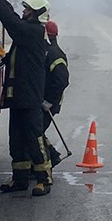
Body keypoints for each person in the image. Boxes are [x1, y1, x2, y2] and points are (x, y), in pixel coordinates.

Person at [0, 0, 54, 196]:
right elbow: (15, 51)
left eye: (28, 9)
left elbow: (13, 23)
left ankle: (44, 180)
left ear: (37, 14)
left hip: (30, 98)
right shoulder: (26, 35)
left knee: (34, 139)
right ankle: (19, 179)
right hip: (19, 97)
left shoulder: (34, 32)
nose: (24, 11)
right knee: (16, 140)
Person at [41, 19, 69, 169]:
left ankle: (50, 157)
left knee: (36, 133)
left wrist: (49, 101)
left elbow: (62, 81)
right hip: (43, 101)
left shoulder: (55, 54)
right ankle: (52, 155)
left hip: (49, 104)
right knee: (36, 131)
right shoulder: (47, 51)